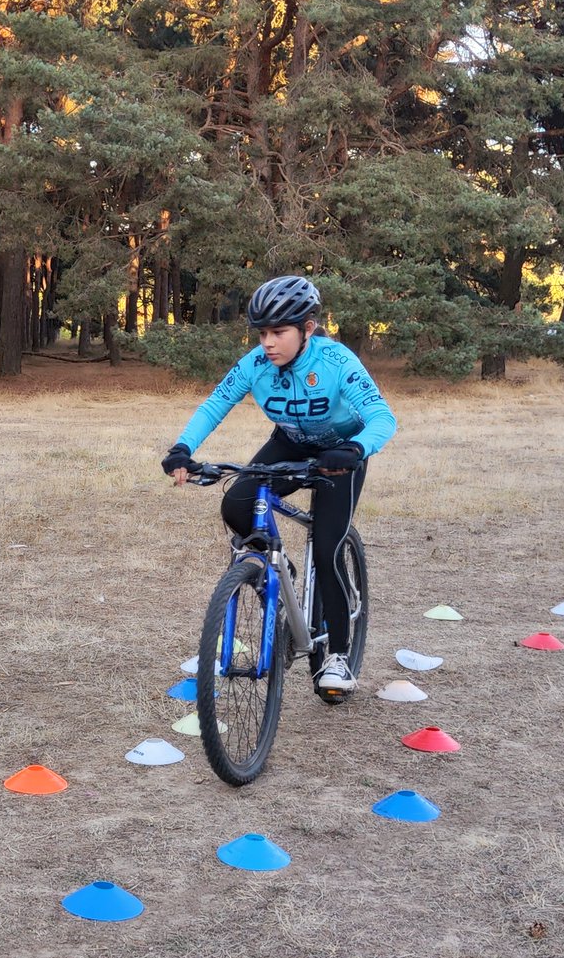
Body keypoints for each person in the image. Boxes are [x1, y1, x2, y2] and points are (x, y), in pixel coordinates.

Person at [161, 275, 397, 694]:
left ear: (307, 328)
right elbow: (217, 403)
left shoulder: (336, 362)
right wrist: (182, 447)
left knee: (327, 553)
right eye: (262, 333)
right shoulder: (256, 364)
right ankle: (280, 571)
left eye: (278, 332)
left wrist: (357, 449)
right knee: (236, 504)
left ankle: (338, 656)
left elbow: (382, 417)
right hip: (289, 443)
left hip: (340, 455)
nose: (268, 343)